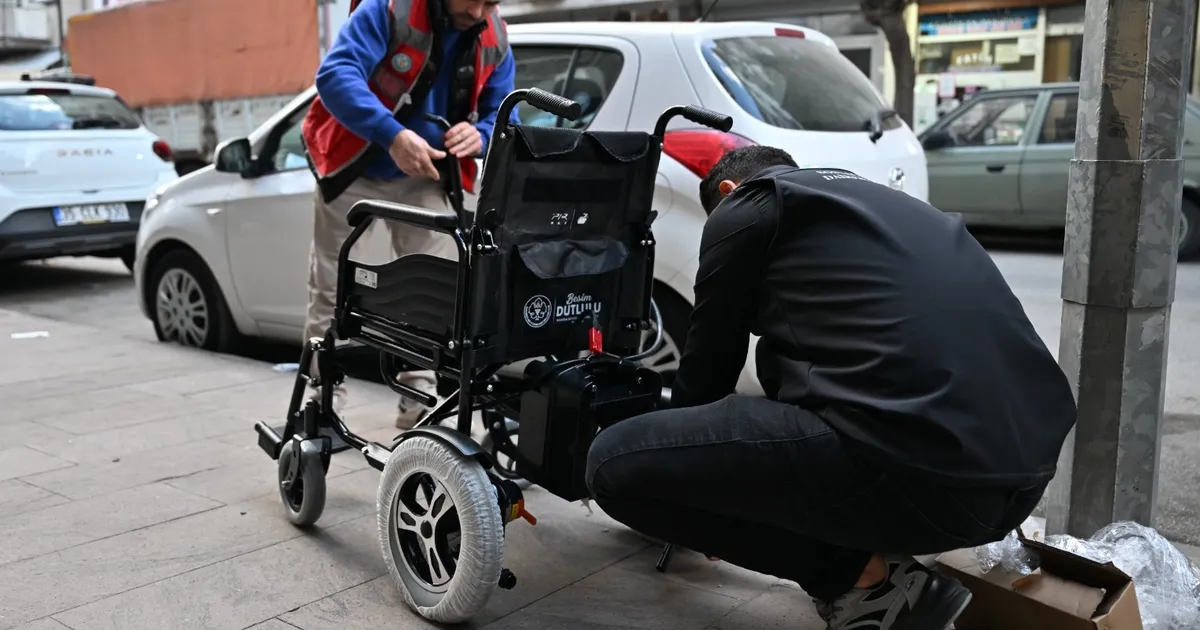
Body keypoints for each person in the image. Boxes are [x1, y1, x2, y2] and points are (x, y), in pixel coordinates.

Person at [585, 146, 1077, 630]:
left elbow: (707, 372)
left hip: (930, 483)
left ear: (729, 191)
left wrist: (695, 490)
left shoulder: (747, 205)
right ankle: (875, 557)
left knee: (610, 464)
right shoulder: (889, 206)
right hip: (1019, 483)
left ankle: (867, 584)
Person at [300, 0, 516, 428]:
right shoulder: (388, 10)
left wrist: (482, 133)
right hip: (356, 164)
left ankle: (417, 397)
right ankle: (322, 398)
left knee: (429, 289)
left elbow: (502, 110)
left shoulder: (495, 36)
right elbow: (335, 76)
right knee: (331, 284)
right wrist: (393, 135)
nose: (480, 12)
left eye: (492, 2)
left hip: (425, 173)